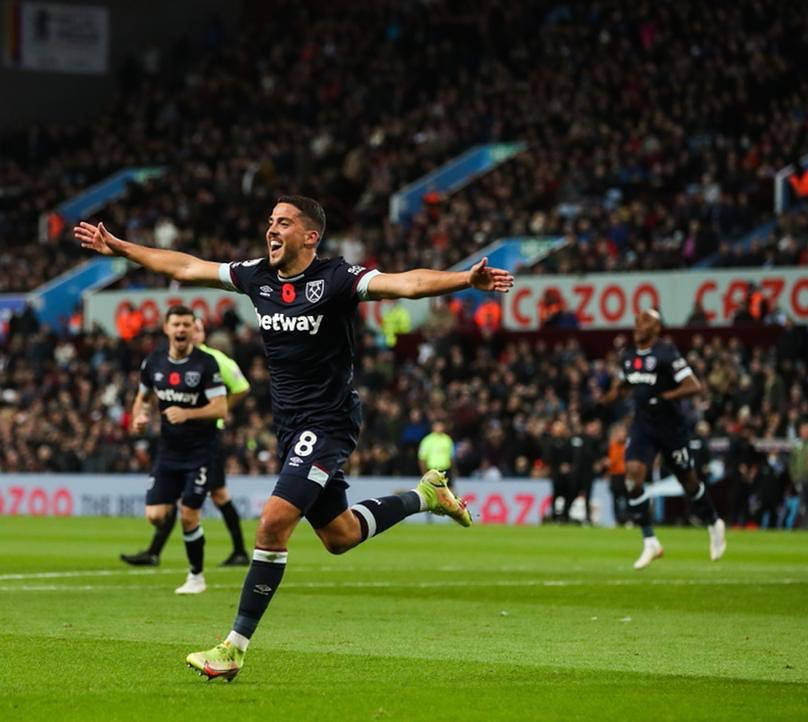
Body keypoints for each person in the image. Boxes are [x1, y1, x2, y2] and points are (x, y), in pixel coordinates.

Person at [75, 195, 514, 681]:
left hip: (327, 422)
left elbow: (406, 283)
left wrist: (464, 281)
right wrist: (121, 249)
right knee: (340, 535)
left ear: (310, 236)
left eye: (283, 222)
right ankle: (425, 495)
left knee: (272, 525)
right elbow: (187, 265)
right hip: (290, 427)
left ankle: (233, 648)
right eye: (270, 222)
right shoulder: (257, 276)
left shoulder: (338, 280)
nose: (271, 229)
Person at [602, 309, 726, 569]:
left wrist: (665, 398)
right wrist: (611, 395)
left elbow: (694, 385)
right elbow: (625, 383)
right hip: (643, 427)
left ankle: (714, 521)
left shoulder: (667, 353)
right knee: (632, 475)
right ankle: (650, 542)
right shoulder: (628, 356)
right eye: (637, 321)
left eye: (645, 322)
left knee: (688, 481)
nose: (638, 325)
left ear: (657, 328)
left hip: (671, 429)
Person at [122, 317, 251, 566]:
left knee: (215, 496)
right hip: (180, 441)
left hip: (205, 440)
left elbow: (242, 387)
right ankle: (155, 552)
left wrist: (220, 411)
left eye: (198, 328)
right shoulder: (174, 361)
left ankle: (236, 552)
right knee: (200, 496)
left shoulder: (213, 360)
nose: (191, 332)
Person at [129, 305, 229, 594]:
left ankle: (196, 577)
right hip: (168, 452)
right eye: (177, 324)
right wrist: (139, 417)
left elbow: (221, 408)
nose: (182, 329)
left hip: (201, 451)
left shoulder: (206, 364)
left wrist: (188, 414)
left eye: (187, 324)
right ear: (166, 328)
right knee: (156, 515)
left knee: (188, 515)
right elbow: (143, 397)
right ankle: (191, 534)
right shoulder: (154, 362)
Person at [417, 419, 454, 485]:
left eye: (441, 426)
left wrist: (453, 470)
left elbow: (451, 456)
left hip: (446, 470)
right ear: (433, 427)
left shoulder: (447, 439)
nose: (439, 428)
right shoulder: (427, 440)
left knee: (449, 491)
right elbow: (422, 458)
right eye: (437, 426)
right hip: (432, 470)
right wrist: (424, 473)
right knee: (433, 492)